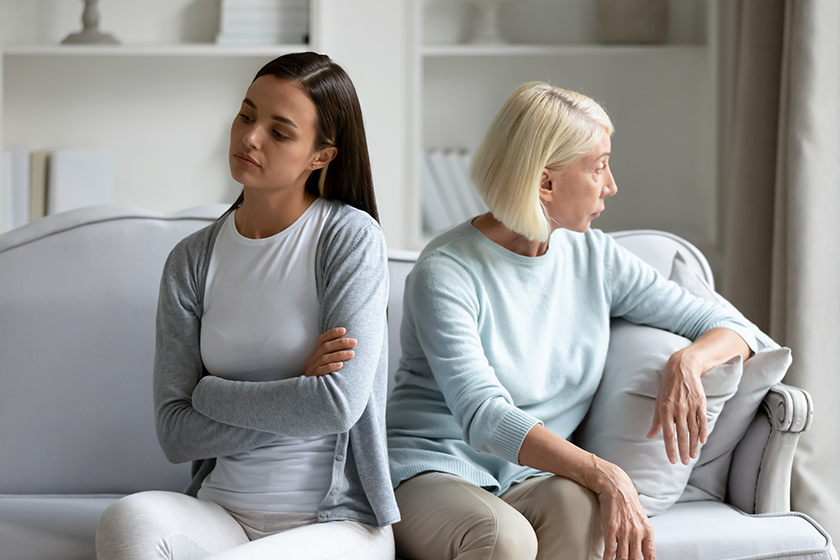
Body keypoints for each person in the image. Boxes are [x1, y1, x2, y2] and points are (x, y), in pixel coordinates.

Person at [386, 81, 757, 560]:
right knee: (505, 538)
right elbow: (484, 417)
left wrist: (688, 361)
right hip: (432, 469)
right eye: (599, 166)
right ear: (546, 182)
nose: (611, 184)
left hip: (525, 477)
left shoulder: (595, 258)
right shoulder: (446, 272)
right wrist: (606, 474)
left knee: (581, 510)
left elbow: (736, 327)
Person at [95, 52, 398, 560]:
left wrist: (211, 394)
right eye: (246, 114)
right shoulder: (191, 259)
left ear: (320, 156)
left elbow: (337, 405)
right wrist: (296, 388)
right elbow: (174, 431)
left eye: (280, 132)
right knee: (127, 521)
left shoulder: (349, 239)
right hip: (221, 511)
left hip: (335, 523)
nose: (250, 137)